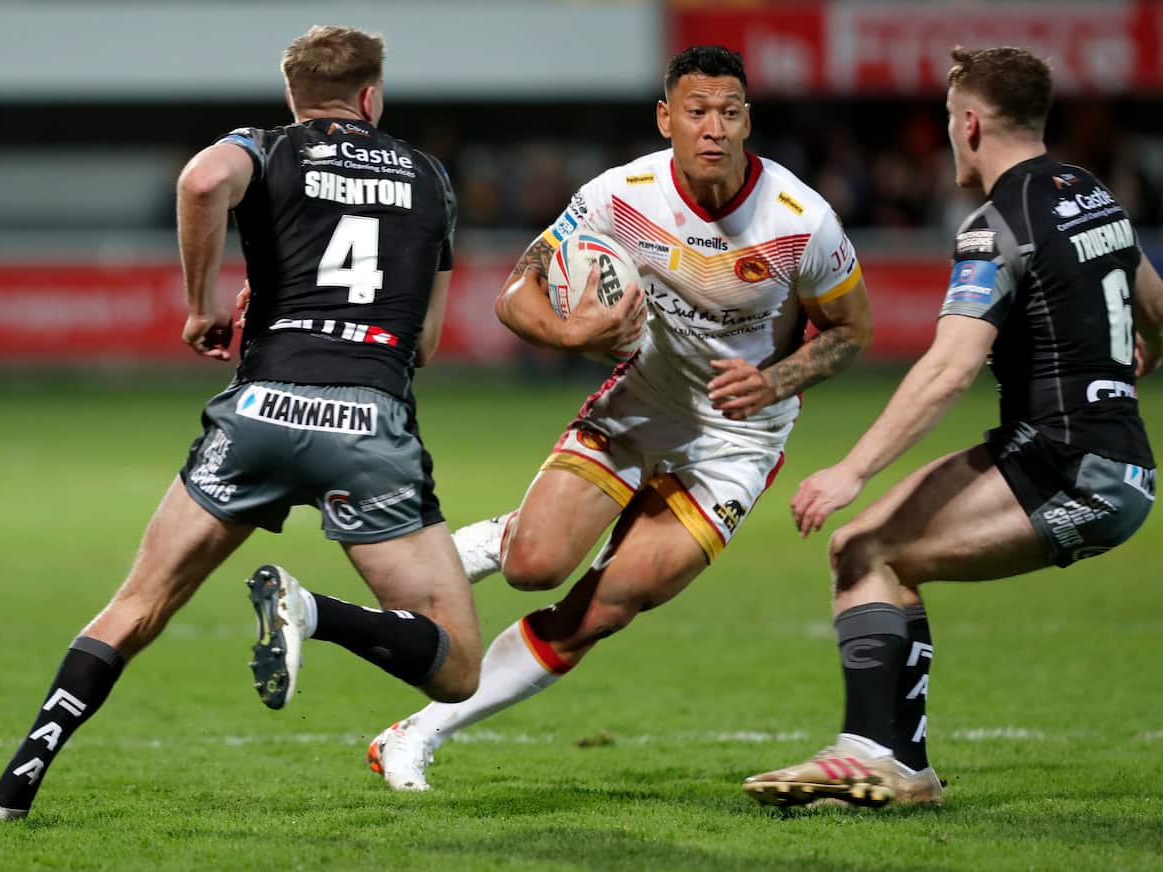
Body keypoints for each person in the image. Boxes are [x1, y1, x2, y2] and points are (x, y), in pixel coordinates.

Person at [0, 25, 481, 822]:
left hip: (258, 413)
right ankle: (314, 614)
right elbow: (427, 345)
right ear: (372, 97)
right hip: (365, 426)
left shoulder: (268, 146)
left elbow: (203, 182)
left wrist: (204, 305)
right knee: (456, 668)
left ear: (292, 95)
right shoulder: (430, 177)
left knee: (136, 606)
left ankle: (9, 792)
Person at [365, 45, 875, 792]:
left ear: (747, 122)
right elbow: (518, 291)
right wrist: (571, 334)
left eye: (729, 113)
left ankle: (418, 732)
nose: (714, 129)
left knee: (604, 608)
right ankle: (508, 536)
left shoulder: (801, 220)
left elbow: (852, 332)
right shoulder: (619, 194)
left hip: (738, 441)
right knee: (533, 564)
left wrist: (775, 383)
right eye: (697, 112)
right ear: (666, 118)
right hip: (641, 403)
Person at [742, 46, 1161, 809]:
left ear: (970, 123)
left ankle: (875, 756)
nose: (945, 135)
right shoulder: (1089, 192)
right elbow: (1156, 307)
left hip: (1070, 468)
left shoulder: (996, 224)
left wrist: (851, 470)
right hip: (1102, 458)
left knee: (864, 548)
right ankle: (900, 766)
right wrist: (1143, 352)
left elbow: (948, 369)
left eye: (946, 118)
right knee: (877, 552)